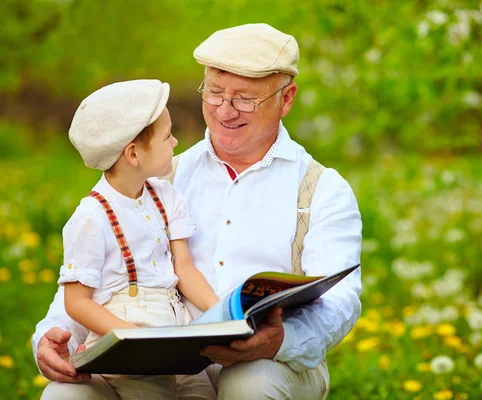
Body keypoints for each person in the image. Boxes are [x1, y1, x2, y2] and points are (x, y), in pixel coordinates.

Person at [33, 23, 362, 400]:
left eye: (244, 99)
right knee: (63, 396)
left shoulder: (322, 189)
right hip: (158, 359)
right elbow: (88, 276)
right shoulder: (157, 179)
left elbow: (341, 301)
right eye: (215, 93)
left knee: (249, 384)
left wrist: (279, 340)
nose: (225, 111)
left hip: (275, 364)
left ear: (286, 99)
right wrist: (49, 336)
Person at [44, 79, 219, 399]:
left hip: (175, 333)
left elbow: (185, 268)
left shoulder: (168, 197)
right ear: (134, 154)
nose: (176, 141)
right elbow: (77, 301)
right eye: (167, 136)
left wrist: (221, 313)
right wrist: (129, 337)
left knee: (202, 394)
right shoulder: (90, 218)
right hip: (129, 345)